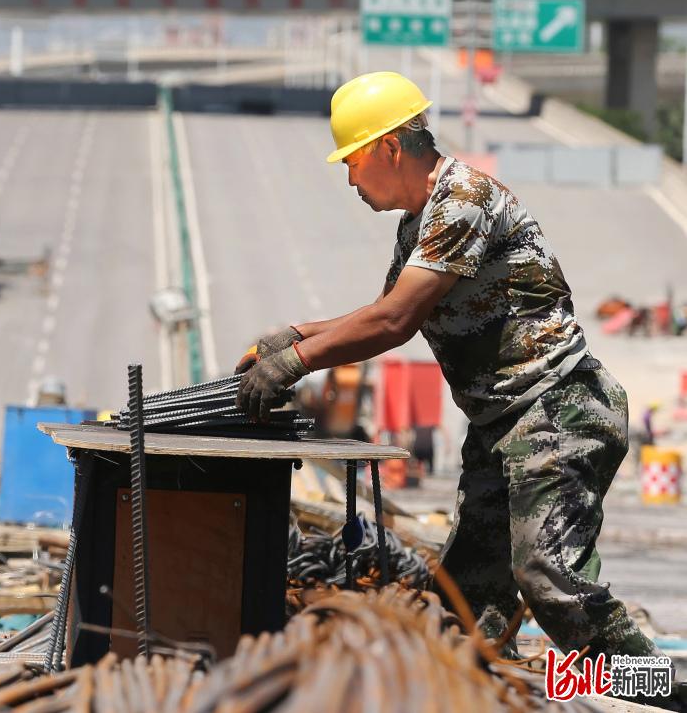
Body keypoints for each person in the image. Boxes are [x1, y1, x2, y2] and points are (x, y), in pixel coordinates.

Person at [235, 71, 657, 663]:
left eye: (352, 162)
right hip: (503, 424)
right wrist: (297, 335)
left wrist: (293, 363)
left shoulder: (464, 201)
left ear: (388, 147)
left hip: (558, 409)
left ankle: (659, 687)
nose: (350, 178)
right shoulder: (421, 222)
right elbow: (382, 312)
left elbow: (394, 323)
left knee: (547, 577)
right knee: (466, 601)